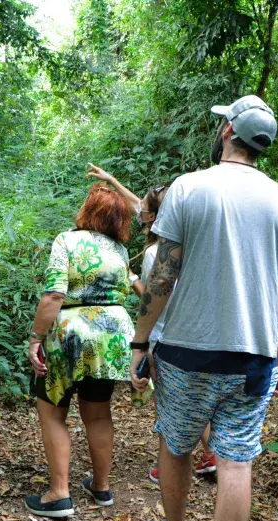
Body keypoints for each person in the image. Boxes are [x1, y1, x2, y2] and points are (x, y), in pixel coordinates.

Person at [129, 95, 278, 521]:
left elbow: (162, 277)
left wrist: (141, 341)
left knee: (177, 445)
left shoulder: (189, 188)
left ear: (228, 130)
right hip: (252, 357)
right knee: (235, 461)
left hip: (185, 349)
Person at [85, 164, 216, 481]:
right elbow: (139, 204)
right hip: (196, 331)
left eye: (144, 208)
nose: (137, 210)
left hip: (163, 335)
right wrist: (112, 179)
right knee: (196, 399)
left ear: (157, 216)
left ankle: (168, 466)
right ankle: (212, 453)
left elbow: (153, 296)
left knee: (167, 403)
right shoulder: (192, 245)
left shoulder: (156, 253)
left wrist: (131, 280)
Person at [24, 184, 136, 519]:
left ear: (89, 210)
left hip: (71, 334)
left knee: (52, 411)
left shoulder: (67, 240)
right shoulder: (120, 250)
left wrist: (35, 338)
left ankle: (59, 494)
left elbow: (54, 295)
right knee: (99, 412)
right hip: (112, 336)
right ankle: (100, 487)